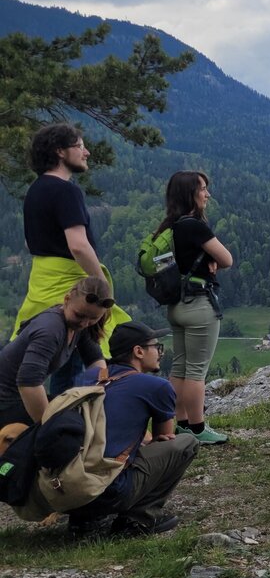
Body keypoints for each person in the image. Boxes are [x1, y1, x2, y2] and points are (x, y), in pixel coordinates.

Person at [12, 124, 130, 395]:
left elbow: (32, 242)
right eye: (80, 146)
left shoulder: (36, 190)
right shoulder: (66, 190)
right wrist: (100, 284)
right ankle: (67, 428)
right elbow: (78, 245)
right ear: (60, 151)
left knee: (49, 354)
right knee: (73, 365)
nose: (86, 152)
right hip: (70, 285)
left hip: (42, 282)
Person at [65, 321, 200, 537]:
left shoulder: (85, 379)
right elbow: (164, 439)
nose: (159, 352)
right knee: (185, 444)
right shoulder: (156, 386)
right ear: (138, 351)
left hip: (68, 488)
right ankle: (138, 519)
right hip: (110, 491)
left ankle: (83, 520)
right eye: (156, 346)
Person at [157, 171, 232, 445]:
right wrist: (213, 263)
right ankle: (199, 429)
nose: (207, 194)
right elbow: (227, 259)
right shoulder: (195, 226)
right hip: (200, 305)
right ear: (191, 194)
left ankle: (181, 423)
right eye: (203, 189)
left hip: (176, 305)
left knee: (179, 367)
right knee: (197, 371)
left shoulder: (169, 227)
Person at [0, 277, 111, 427]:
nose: (85, 323)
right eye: (79, 315)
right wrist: (48, 428)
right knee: (71, 430)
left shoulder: (79, 324)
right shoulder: (50, 330)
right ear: (66, 300)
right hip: (7, 401)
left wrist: (103, 386)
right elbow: (28, 382)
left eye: (93, 318)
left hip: (19, 397)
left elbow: (95, 359)